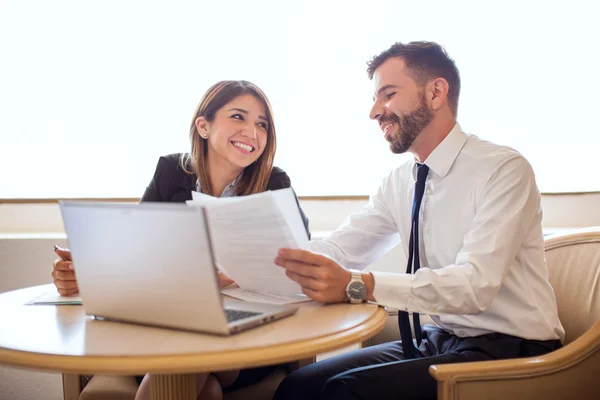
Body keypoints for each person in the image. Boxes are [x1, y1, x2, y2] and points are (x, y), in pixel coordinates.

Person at [273, 41, 564, 400]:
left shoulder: (503, 169)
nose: (374, 111)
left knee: (344, 393)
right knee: (299, 387)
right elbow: (339, 250)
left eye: (388, 94)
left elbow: (474, 286)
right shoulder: (400, 181)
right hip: (440, 341)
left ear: (436, 92)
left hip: (513, 349)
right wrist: (256, 261)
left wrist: (359, 285)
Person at [51, 80, 310, 400]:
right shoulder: (170, 171)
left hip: (246, 332)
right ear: (203, 125)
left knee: (193, 367)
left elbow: (303, 260)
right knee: (207, 390)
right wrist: (86, 273)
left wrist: (233, 276)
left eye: (262, 124)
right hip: (170, 325)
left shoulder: (274, 182)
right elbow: (135, 248)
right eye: (238, 117)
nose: (252, 132)